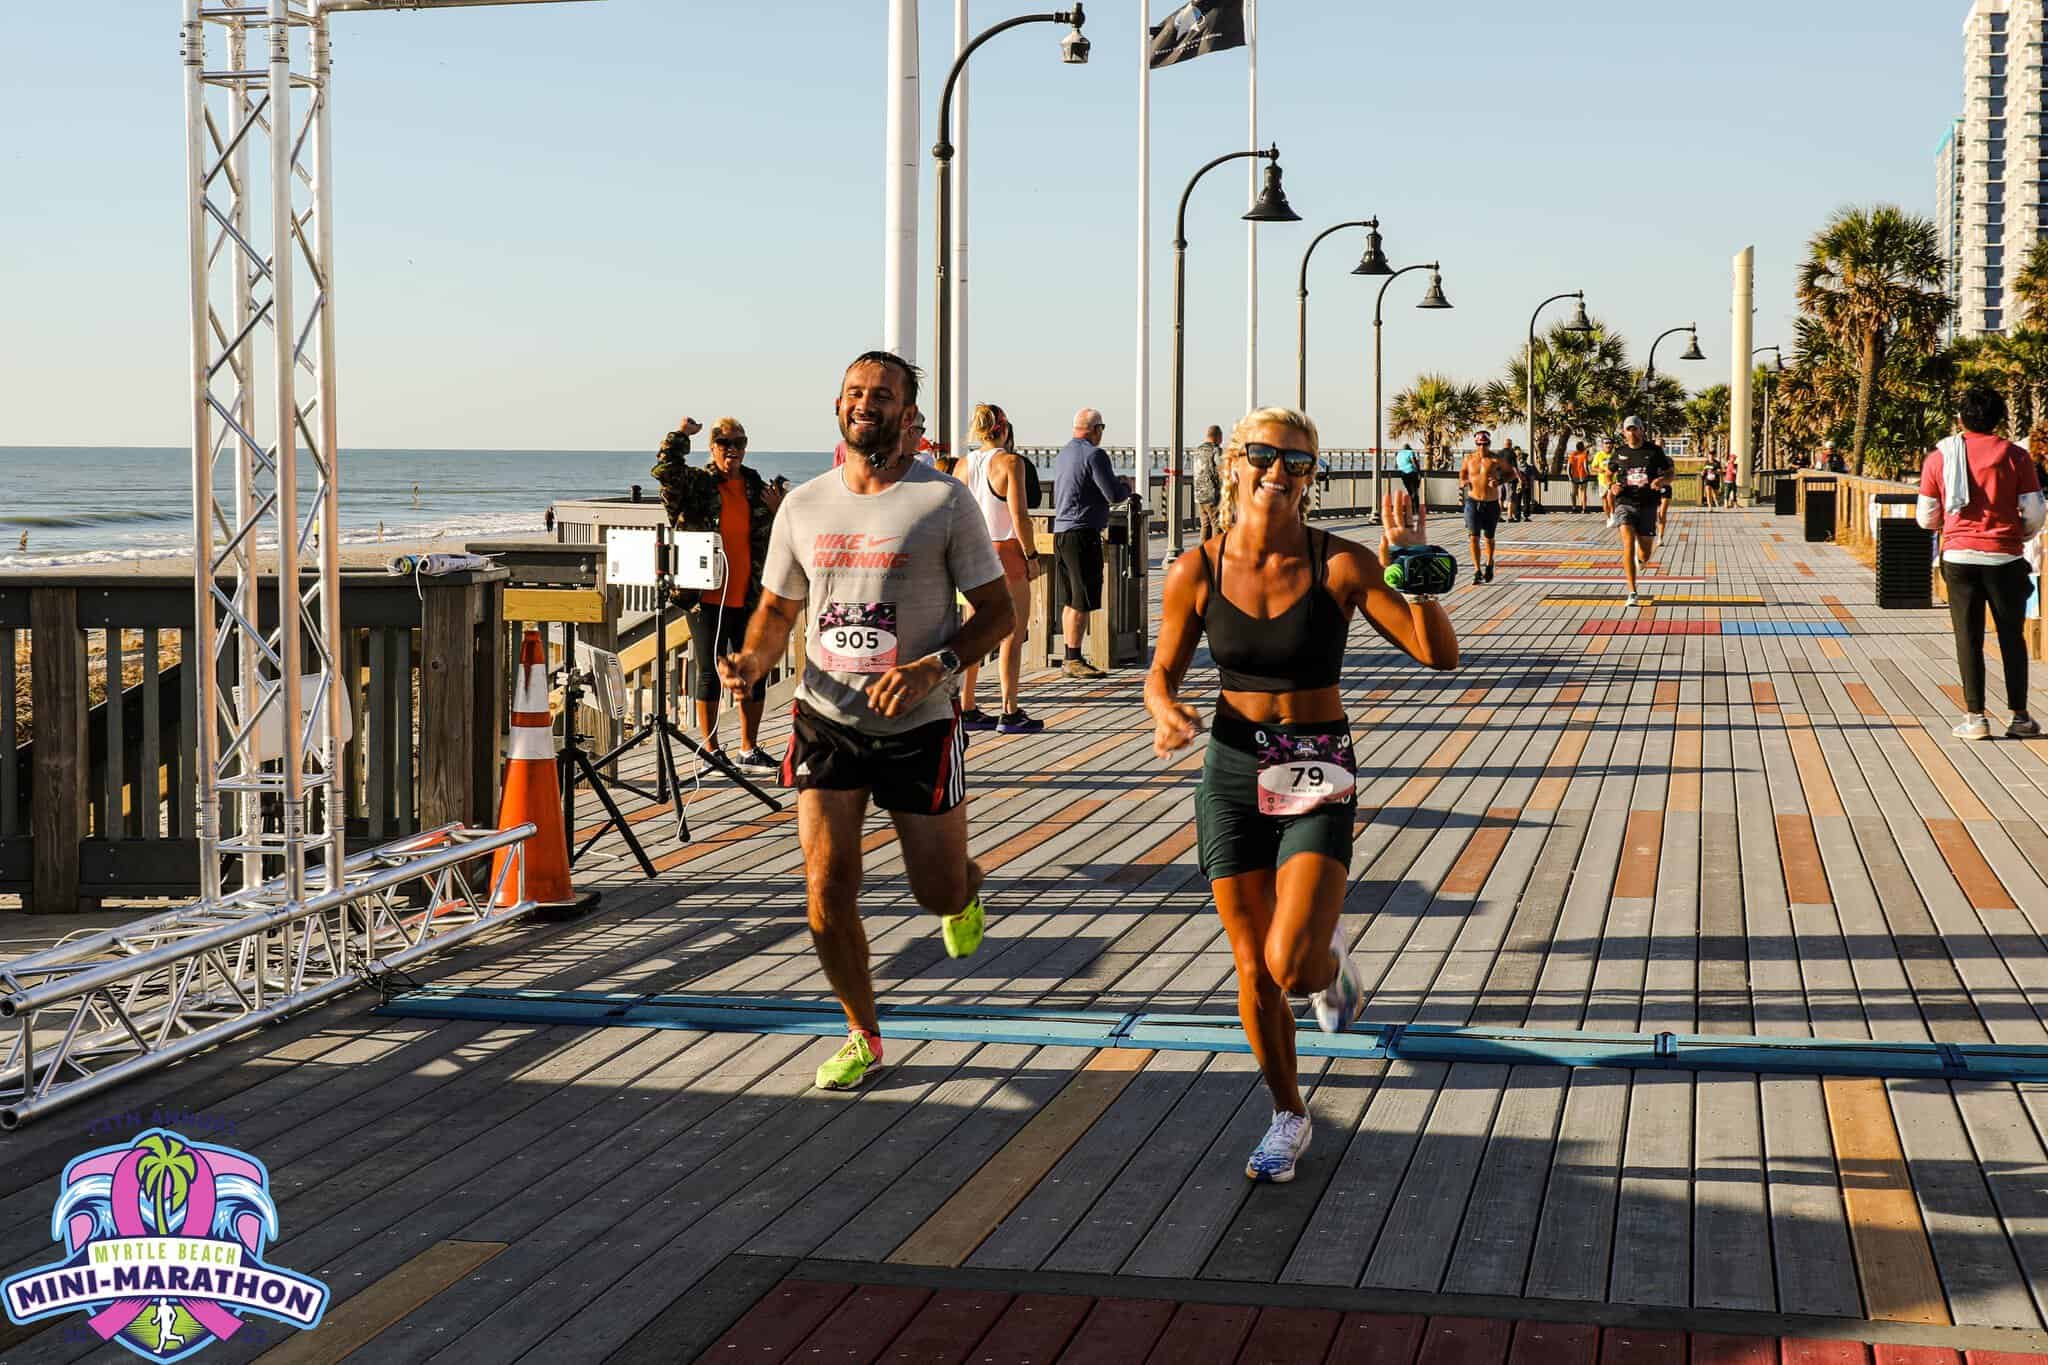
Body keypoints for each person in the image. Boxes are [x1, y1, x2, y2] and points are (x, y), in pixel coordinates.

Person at [1145, 406, 1458, 1183]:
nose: (1278, 472)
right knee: (1254, 968)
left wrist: (1413, 569)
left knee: (1291, 966)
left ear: (1312, 477)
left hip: (1316, 763)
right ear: (1234, 463)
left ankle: (1325, 959)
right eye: (1263, 455)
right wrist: (1164, 709)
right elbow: (1161, 673)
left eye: (1297, 462)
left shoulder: (1338, 563)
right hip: (1230, 769)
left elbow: (1437, 655)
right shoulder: (1195, 570)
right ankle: (1288, 1113)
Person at [720, 351, 1015, 1091]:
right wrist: (752, 660)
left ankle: (966, 889)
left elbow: (999, 613)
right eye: (854, 392)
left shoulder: (943, 501)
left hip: (920, 724)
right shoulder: (804, 505)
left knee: (935, 891)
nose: (865, 404)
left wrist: (933, 669)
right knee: (826, 887)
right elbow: (778, 609)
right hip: (827, 717)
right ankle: (863, 1033)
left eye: (881, 395)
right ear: (837, 405)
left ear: (907, 414)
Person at [651, 413, 784, 772]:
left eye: (739, 443)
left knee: (753, 671)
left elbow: (782, 534)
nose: (732, 449)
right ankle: (711, 751)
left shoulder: (756, 487)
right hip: (705, 596)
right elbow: (666, 472)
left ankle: (748, 749)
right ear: (712, 447)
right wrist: (680, 435)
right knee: (710, 672)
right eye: (724, 443)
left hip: (749, 594)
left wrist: (778, 511)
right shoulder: (697, 484)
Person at [1917, 385, 2045, 741]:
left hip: (1959, 557)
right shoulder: (2016, 456)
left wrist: (1951, 525)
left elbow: (1926, 517)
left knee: (1968, 637)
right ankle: (2020, 717)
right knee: (2011, 636)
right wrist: (2017, 535)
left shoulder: (1940, 457)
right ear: (1999, 419)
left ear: (1960, 418)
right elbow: (2035, 512)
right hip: (2005, 556)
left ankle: (1975, 718)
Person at [957, 403, 1047, 735]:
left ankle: (967, 706)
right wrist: (1031, 555)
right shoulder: (1011, 463)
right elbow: (1020, 516)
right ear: (1004, 430)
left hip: (973, 553)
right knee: (1012, 632)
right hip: (1005, 551)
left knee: (975, 631)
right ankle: (1009, 710)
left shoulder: (963, 465)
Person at [1053, 407, 1121, 679]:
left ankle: (1070, 656)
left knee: (1071, 599)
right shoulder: (1095, 455)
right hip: (1082, 533)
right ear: (1096, 429)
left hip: (1062, 533)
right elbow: (1114, 494)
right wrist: (1127, 486)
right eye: (1102, 428)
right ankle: (1074, 660)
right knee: (1082, 600)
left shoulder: (1064, 454)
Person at [1607, 415, 1674, 607]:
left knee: (1645, 552)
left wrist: (1661, 480)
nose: (1632, 433)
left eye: (1635, 429)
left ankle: (1641, 560)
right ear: (1624, 432)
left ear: (1642, 430)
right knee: (1628, 544)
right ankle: (1632, 592)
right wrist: (1612, 485)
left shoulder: (1654, 451)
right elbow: (1608, 474)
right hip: (1625, 503)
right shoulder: (1619, 452)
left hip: (1648, 504)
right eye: (1628, 429)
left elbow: (1670, 473)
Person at [1458, 431, 1507, 583]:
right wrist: (1463, 481)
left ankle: (1489, 562)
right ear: (1475, 444)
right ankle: (1477, 570)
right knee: (1473, 537)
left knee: (1489, 538)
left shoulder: (1496, 459)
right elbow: (1463, 473)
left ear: (1489, 444)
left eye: (1485, 444)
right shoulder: (1469, 459)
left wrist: (1499, 482)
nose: (1482, 447)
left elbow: (1511, 473)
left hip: (1491, 503)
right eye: (1479, 444)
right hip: (1473, 501)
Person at [1194, 425, 1225, 541]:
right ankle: (1215, 550)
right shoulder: (1215, 450)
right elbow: (1222, 469)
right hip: (1212, 494)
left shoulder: (1198, 450)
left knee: (1205, 525)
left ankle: (1203, 550)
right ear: (1218, 437)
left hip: (1199, 494)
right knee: (1217, 524)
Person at [1567, 439, 1592, 513]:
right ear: (1583, 447)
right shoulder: (1584, 455)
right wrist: (1588, 474)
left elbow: (1569, 467)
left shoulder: (1572, 455)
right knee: (1583, 492)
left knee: (1573, 492)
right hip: (1583, 476)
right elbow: (1585, 466)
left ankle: (1574, 508)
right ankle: (1584, 508)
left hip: (1574, 476)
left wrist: (1569, 476)